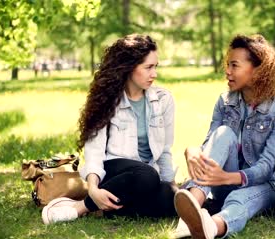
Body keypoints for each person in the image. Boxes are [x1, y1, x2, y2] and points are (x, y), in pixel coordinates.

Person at [41, 34, 177, 224]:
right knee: (147, 175)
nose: (154, 74)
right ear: (129, 67)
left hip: (145, 178)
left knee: (166, 197)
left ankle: (112, 207)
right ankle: (81, 207)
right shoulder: (107, 99)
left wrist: (171, 186)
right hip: (114, 172)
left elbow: (164, 150)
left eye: (155, 67)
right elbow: (94, 151)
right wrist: (94, 189)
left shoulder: (163, 100)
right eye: (148, 67)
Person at [173, 34, 275, 239]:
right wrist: (191, 150)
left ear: (258, 70)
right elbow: (211, 143)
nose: (227, 71)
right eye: (228, 65)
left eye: (234, 65)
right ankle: (191, 208)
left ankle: (212, 227)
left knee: (238, 201)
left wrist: (228, 177)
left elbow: (265, 168)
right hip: (220, 181)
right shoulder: (224, 101)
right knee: (224, 132)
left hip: (264, 185)